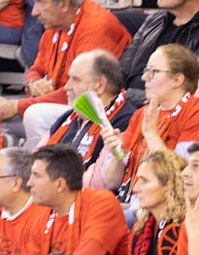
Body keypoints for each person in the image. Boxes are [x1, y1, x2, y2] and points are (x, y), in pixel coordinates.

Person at [0, 0, 133, 143]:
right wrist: (33, 82)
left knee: (33, 115)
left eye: (40, 2)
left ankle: (45, 166)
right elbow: (36, 68)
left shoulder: (96, 26)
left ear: (64, 3)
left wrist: (16, 106)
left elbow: (81, 90)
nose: (34, 12)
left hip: (91, 109)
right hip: (60, 104)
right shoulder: (56, 24)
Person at [94, 44, 199, 196]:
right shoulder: (142, 113)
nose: (144, 77)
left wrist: (151, 135)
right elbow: (111, 182)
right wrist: (118, 154)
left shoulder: (195, 111)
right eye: (145, 71)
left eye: (153, 72)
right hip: (130, 198)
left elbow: (180, 175)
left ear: (177, 80)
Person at [28, 145, 131, 255]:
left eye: (36, 176)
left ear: (60, 184)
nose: (29, 183)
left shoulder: (102, 204)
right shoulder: (42, 214)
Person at [120, 0, 199, 104]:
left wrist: (128, 97)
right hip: (129, 107)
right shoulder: (154, 20)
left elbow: (190, 88)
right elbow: (123, 70)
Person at [36, 53, 134, 186]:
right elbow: (34, 159)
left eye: (75, 79)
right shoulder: (68, 118)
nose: (66, 87)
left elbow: (98, 182)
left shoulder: (124, 122)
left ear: (99, 85)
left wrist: (48, 182)